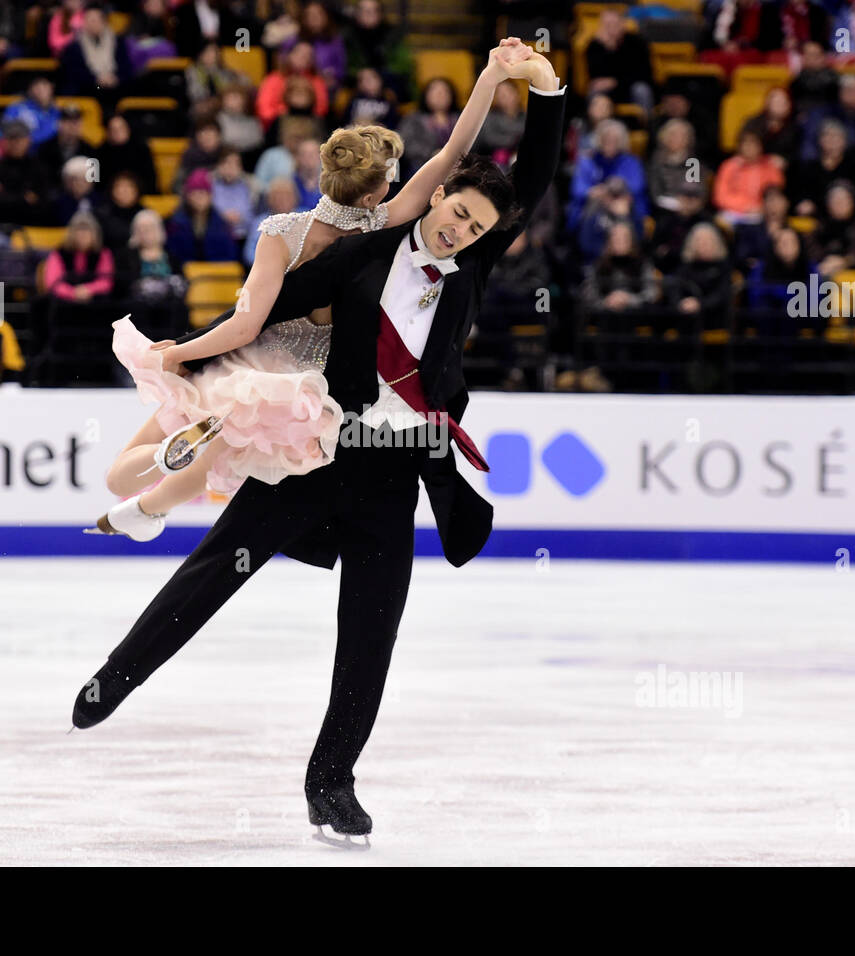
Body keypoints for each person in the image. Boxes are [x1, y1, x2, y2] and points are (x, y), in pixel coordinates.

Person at [72, 45, 566, 843]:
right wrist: (189, 356)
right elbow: (268, 312)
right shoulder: (367, 249)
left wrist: (548, 94)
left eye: (476, 226)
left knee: (372, 633)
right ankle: (117, 675)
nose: (460, 227)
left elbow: (534, 179)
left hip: (393, 475)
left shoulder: (469, 268)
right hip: (318, 450)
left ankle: (331, 782)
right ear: (436, 195)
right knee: (215, 568)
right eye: (456, 211)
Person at [94, 42, 535, 533]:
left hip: (245, 363)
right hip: (299, 386)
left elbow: (244, 326)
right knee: (208, 465)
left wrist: (181, 353)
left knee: (121, 473)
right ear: (372, 193)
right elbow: (454, 151)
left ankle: (159, 466)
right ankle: (151, 508)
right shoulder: (379, 226)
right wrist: (491, 77)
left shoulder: (282, 232)